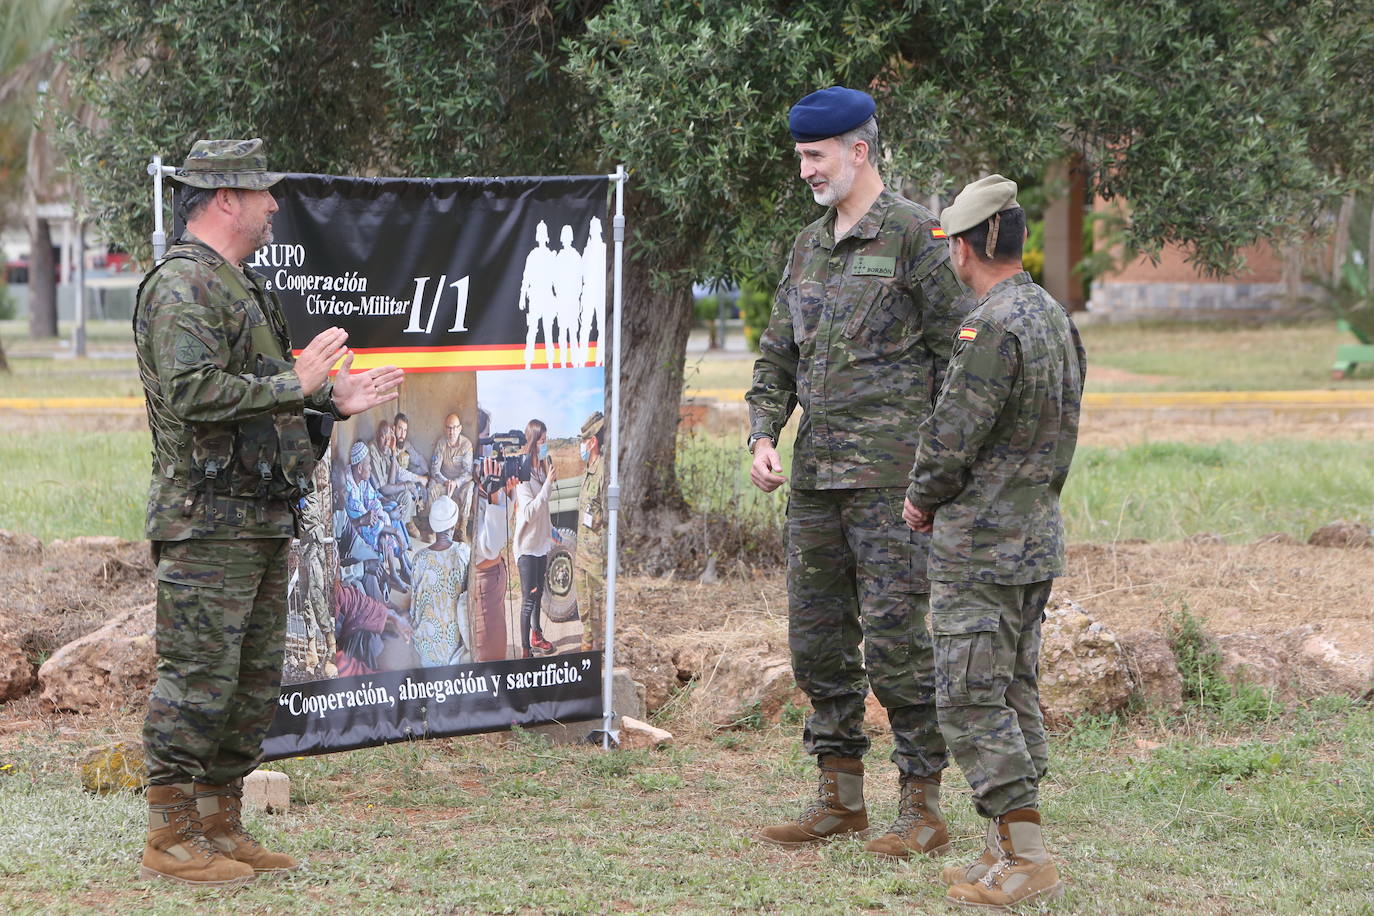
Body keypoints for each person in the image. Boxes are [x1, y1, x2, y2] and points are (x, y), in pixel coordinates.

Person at [133, 138, 402, 886]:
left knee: (248, 683)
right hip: (205, 521)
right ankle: (169, 833)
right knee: (197, 677)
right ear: (226, 199)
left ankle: (220, 822)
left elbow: (264, 389)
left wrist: (328, 397)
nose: (275, 206)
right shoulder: (182, 285)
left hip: (256, 515)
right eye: (263, 194)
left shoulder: (241, 285)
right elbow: (193, 394)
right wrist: (295, 381)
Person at [746, 88, 972, 854]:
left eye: (816, 156)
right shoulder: (808, 246)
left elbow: (959, 355)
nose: (805, 170)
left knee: (899, 643)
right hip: (814, 483)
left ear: (858, 151)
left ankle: (924, 807)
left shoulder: (917, 236)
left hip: (892, 486)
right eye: (802, 157)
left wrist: (939, 469)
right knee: (817, 643)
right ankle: (840, 798)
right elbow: (778, 351)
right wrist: (761, 433)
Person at [903, 176, 1086, 909]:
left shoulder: (991, 327)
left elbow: (951, 439)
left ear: (974, 245)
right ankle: (1003, 846)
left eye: (952, 243)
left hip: (981, 547)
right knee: (1012, 690)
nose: (949, 255)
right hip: (1033, 536)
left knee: (970, 699)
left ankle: (1028, 856)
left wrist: (920, 498)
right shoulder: (1052, 317)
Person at [471, 410, 516, 662]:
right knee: (492, 661)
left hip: (493, 579)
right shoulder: (468, 482)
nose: (489, 449)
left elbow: (504, 528)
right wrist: (495, 497)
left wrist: (505, 494)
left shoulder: (482, 479)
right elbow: (490, 546)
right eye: (486, 439)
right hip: (484, 581)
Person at [409, 495, 472, 667]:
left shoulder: (419, 558)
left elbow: (414, 606)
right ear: (454, 524)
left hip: (426, 640)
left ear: (433, 525)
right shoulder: (463, 553)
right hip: (454, 640)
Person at [513, 419, 557, 657]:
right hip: (527, 548)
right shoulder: (523, 475)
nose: (545, 445)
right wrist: (548, 485)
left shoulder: (540, 469)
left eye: (546, 441)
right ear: (532, 443)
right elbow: (529, 512)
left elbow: (543, 512)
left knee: (538, 594)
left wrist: (552, 532)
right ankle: (525, 652)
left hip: (541, 545)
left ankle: (536, 634)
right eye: (542, 441)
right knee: (528, 600)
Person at [574, 411, 606, 652]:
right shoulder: (588, 469)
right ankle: (587, 644)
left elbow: (607, 516)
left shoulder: (604, 471)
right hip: (582, 554)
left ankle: (598, 651)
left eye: (583, 441)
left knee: (597, 608)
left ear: (592, 441)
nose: (580, 446)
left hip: (596, 556)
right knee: (583, 603)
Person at [367, 419, 425, 541]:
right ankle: (399, 534)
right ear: (377, 434)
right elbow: (383, 489)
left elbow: (392, 482)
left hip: (387, 490)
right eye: (383, 437)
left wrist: (393, 454)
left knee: (407, 494)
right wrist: (407, 485)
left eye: (389, 438)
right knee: (406, 493)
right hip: (376, 496)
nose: (386, 442)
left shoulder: (389, 447)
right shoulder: (373, 450)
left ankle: (403, 527)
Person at [429, 411, 474, 515]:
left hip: (460, 485)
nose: (452, 432)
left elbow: (468, 472)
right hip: (444, 483)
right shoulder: (441, 443)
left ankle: (463, 525)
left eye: (454, 428)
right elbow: (434, 469)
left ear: (460, 428)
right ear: (445, 429)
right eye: (449, 428)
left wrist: (456, 483)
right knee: (431, 486)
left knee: (470, 486)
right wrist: (446, 482)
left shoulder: (466, 445)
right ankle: (433, 524)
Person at [392, 412, 429, 512]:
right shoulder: (389, 446)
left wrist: (426, 475)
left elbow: (418, 459)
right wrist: (418, 478)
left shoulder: (405, 444)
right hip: (392, 484)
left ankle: (420, 514)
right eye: (400, 429)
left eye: (405, 430)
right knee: (412, 486)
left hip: (404, 479)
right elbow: (399, 473)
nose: (402, 434)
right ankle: (409, 522)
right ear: (394, 428)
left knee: (420, 478)